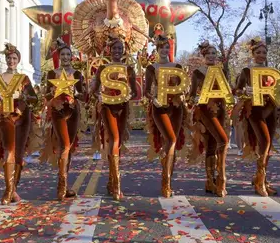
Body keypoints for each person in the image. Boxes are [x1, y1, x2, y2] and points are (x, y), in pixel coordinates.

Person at [0, 43, 38, 204]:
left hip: (22, 117)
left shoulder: (24, 79)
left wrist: (24, 97)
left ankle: (13, 188)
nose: (11, 60)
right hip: (6, 116)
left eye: (14, 58)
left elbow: (34, 99)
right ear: (6, 59)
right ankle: (8, 191)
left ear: (18, 60)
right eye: (9, 58)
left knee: (19, 154)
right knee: (8, 150)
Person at [89, 34, 138, 200]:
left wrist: (129, 94)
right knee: (114, 138)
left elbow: (135, 92)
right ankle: (117, 185)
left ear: (123, 51)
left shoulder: (129, 69)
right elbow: (94, 90)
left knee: (117, 141)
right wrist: (99, 96)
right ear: (109, 50)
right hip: (107, 107)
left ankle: (111, 180)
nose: (117, 51)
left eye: (120, 48)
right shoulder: (103, 69)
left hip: (122, 107)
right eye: (115, 48)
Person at [41, 39, 85, 200]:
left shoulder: (78, 74)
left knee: (69, 147)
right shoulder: (52, 74)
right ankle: (61, 186)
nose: (65, 57)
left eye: (68, 54)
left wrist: (77, 92)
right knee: (65, 145)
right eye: (63, 54)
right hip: (58, 111)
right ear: (59, 56)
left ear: (71, 57)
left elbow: (83, 96)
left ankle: (65, 186)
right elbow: (45, 95)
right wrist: (52, 93)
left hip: (73, 112)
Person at [144, 35, 187, 198]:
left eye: (167, 47)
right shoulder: (151, 68)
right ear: (157, 49)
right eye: (161, 47)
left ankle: (168, 179)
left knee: (172, 143)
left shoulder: (177, 66)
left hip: (176, 108)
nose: (164, 50)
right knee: (171, 140)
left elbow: (183, 87)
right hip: (159, 107)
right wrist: (153, 99)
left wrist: (183, 94)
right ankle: (166, 181)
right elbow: (147, 90)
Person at [234, 38, 278, 197]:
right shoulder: (246, 71)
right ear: (252, 54)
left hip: (271, 109)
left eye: (264, 52)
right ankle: (260, 181)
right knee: (264, 141)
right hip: (254, 109)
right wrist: (246, 91)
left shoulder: (272, 72)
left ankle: (263, 179)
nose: (261, 55)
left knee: (268, 145)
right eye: (258, 52)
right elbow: (236, 90)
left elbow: (278, 91)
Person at [188, 41, 230, 197]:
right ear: (204, 56)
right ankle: (221, 178)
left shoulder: (222, 71)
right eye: (209, 53)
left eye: (214, 53)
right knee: (223, 140)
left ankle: (209, 181)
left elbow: (228, 91)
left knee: (212, 145)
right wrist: (196, 98)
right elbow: (191, 96)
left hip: (221, 110)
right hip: (205, 111)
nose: (212, 56)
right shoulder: (198, 73)